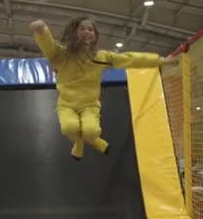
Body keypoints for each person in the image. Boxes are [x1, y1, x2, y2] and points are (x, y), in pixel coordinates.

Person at [29, 16, 177, 160]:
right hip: (67, 104)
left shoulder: (101, 57)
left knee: (91, 130)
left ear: (95, 35)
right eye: (82, 29)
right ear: (74, 32)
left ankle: (93, 140)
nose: (87, 32)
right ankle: (80, 144)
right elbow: (48, 46)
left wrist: (160, 60)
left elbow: (129, 58)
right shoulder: (62, 54)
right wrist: (41, 30)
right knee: (69, 127)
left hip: (90, 105)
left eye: (90, 29)